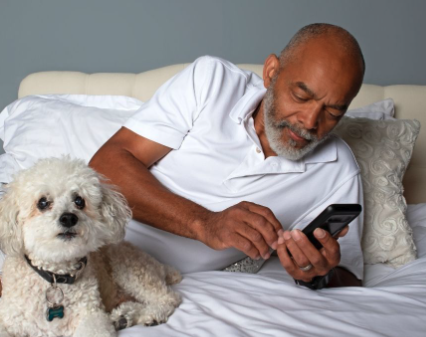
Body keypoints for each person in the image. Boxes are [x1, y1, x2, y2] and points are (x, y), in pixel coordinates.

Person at [89, 23, 366, 288]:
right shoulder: (211, 82)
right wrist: (205, 223)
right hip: (93, 247)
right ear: (272, 72)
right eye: (301, 96)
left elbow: (349, 276)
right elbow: (106, 164)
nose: (309, 121)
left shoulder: (338, 169)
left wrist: (318, 274)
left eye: (332, 113)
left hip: (168, 284)